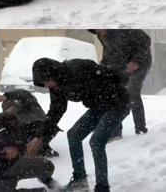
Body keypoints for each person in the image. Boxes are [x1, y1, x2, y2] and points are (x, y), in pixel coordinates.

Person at [29, 58, 129, 192]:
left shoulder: (78, 69)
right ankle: (80, 181)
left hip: (118, 104)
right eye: (44, 83)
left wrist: (122, 77)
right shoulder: (57, 87)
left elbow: (110, 73)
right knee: (74, 135)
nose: (47, 86)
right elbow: (55, 111)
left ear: (53, 73)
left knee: (96, 141)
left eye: (47, 81)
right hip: (98, 107)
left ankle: (102, 187)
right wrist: (40, 136)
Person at [88, 29, 152, 137]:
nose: (99, 32)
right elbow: (109, 51)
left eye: (100, 28)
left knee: (132, 91)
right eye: (96, 30)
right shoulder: (101, 35)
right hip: (124, 64)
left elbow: (146, 39)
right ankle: (116, 132)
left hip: (141, 62)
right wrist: (104, 65)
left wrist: (136, 61)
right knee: (114, 93)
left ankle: (140, 129)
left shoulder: (122, 30)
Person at [0, 90, 60, 157]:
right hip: (24, 137)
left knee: (38, 131)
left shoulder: (30, 105)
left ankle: (43, 148)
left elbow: (24, 94)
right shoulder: (7, 118)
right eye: (6, 109)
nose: (9, 110)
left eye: (11, 107)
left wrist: (6, 96)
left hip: (42, 129)